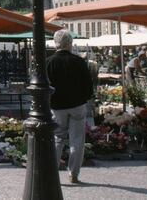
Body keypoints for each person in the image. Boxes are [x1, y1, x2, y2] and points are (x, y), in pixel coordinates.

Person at [47, 29, 94, 184]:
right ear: (70, 44)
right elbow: (88, 85)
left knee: (57, 138)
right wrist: (84, 98)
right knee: (77, 140)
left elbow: (45, 86)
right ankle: (73, 173)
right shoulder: (79, 61)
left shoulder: (49, 62)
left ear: (56, 44)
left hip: (57, 106)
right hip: (77, 104)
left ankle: (52, 173)